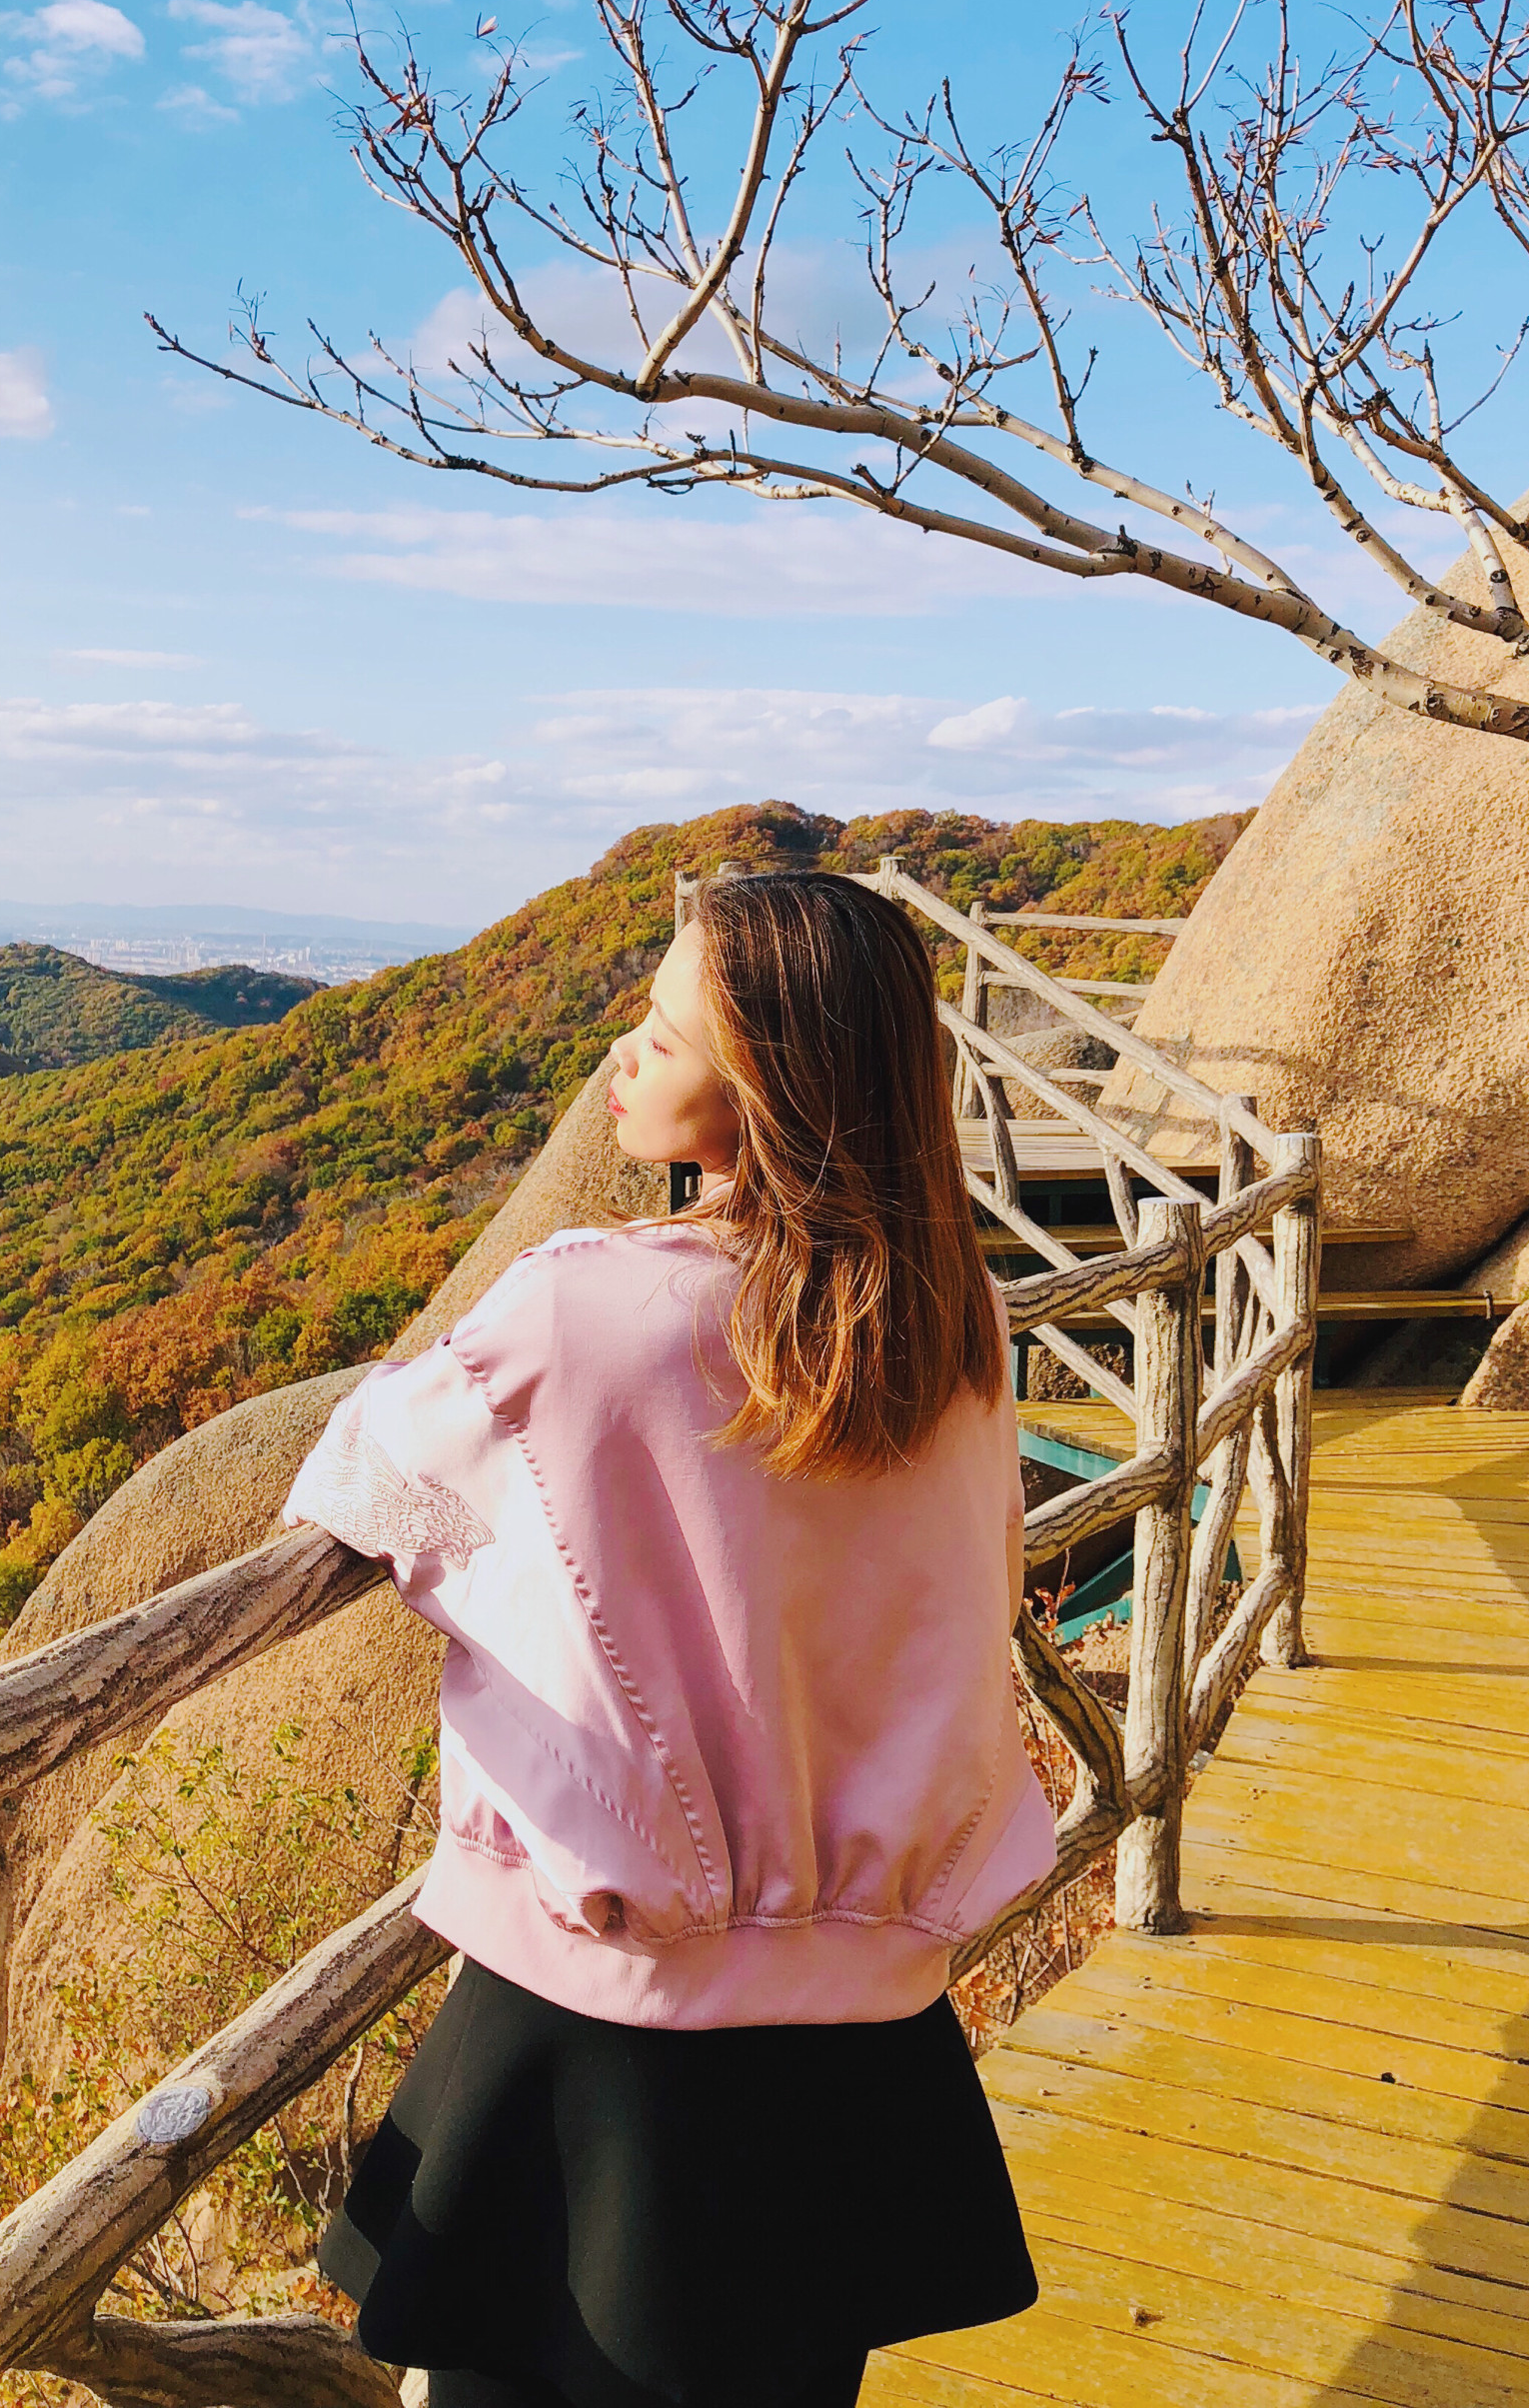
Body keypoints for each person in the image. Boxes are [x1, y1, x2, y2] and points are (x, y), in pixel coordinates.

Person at [287, 870, 1054, 2408]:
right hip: (856, 2025)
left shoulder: (586, 1306)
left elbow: (366, 1483)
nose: (619, 1059)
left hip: (606, 2025)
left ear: (763, 1080)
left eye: (660, 1029)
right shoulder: (942, 1316)